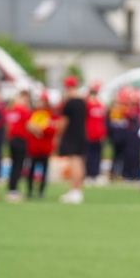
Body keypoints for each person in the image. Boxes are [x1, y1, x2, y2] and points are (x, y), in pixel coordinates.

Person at [56, 75, 87, 204]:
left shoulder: (69, 103)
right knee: (79, 161)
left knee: (74, 162)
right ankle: (77, 189)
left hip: (71, 135)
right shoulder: (82, 102)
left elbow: (64, 122)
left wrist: (57, 135)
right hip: (81, 134)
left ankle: (75, 191)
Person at [24, 93, 56, 199]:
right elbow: (28, 126)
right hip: (34, 147)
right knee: (31, 171)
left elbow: (52, 129)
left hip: (45, 147)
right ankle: (29, 191)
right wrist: (37, 129)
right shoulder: (33, 113)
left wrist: (38, 128)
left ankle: (41, 192)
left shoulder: (49, 114)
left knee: (44, 171)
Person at [4, 90, 31, 202]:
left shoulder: (12, 109)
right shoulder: (23, 110)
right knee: (18, 165)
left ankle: (11, 188)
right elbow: (29, 124)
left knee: (14, 164)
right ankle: (13, 190)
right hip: (20, 139)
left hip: (12, 139)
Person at [84, 81, 107, 183]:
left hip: (98, 134)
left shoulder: (100, 104)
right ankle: (88, 174)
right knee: (88, 155)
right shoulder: (86, 104)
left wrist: (103, 133)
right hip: (89, 134)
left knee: (97, 155)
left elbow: (102, 120)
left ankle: (96, 173)